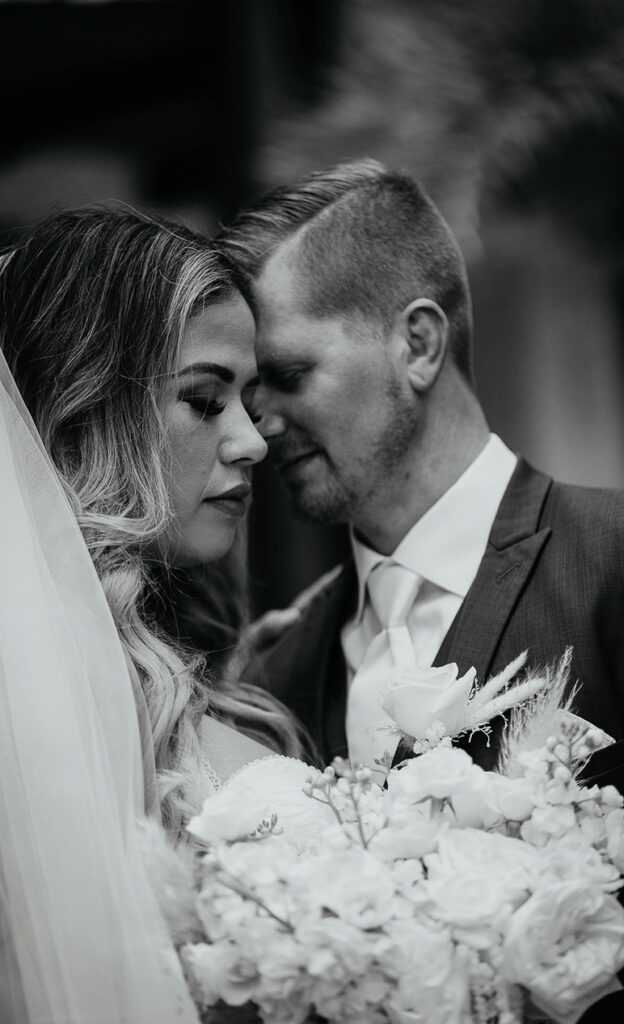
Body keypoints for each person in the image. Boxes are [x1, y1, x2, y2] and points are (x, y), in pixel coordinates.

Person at [223, 158, 624, 1020]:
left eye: (286, 377)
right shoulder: (280, 673)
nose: (259, 427)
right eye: (246, 395)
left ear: (419, 343)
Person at [0, 208, 303, 1023]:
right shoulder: (24, 714)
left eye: (249, 399)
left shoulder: (221, 664)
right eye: (204, 401)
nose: (252, 441)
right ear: (83, 411)